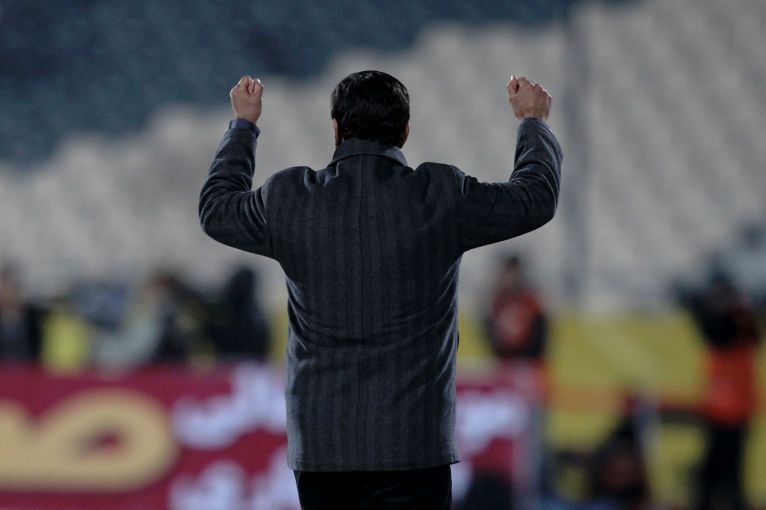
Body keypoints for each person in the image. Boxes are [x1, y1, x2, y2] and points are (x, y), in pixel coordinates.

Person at [199, 70, 562, 509]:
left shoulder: (289, 199)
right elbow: (534, 198)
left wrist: (244, 126)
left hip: (323, 450)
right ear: (405, 131)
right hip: (414, 446)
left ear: (336, 129)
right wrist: (532, 122)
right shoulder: (441, 195)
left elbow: (216, 209)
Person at [687, 273, 760, 510]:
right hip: (720, 410)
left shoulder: (739, 322)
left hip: (734, 412)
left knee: (728, 475)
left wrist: (700, 307)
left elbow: (718, 332)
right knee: (714, 474)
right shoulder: (736, 322)